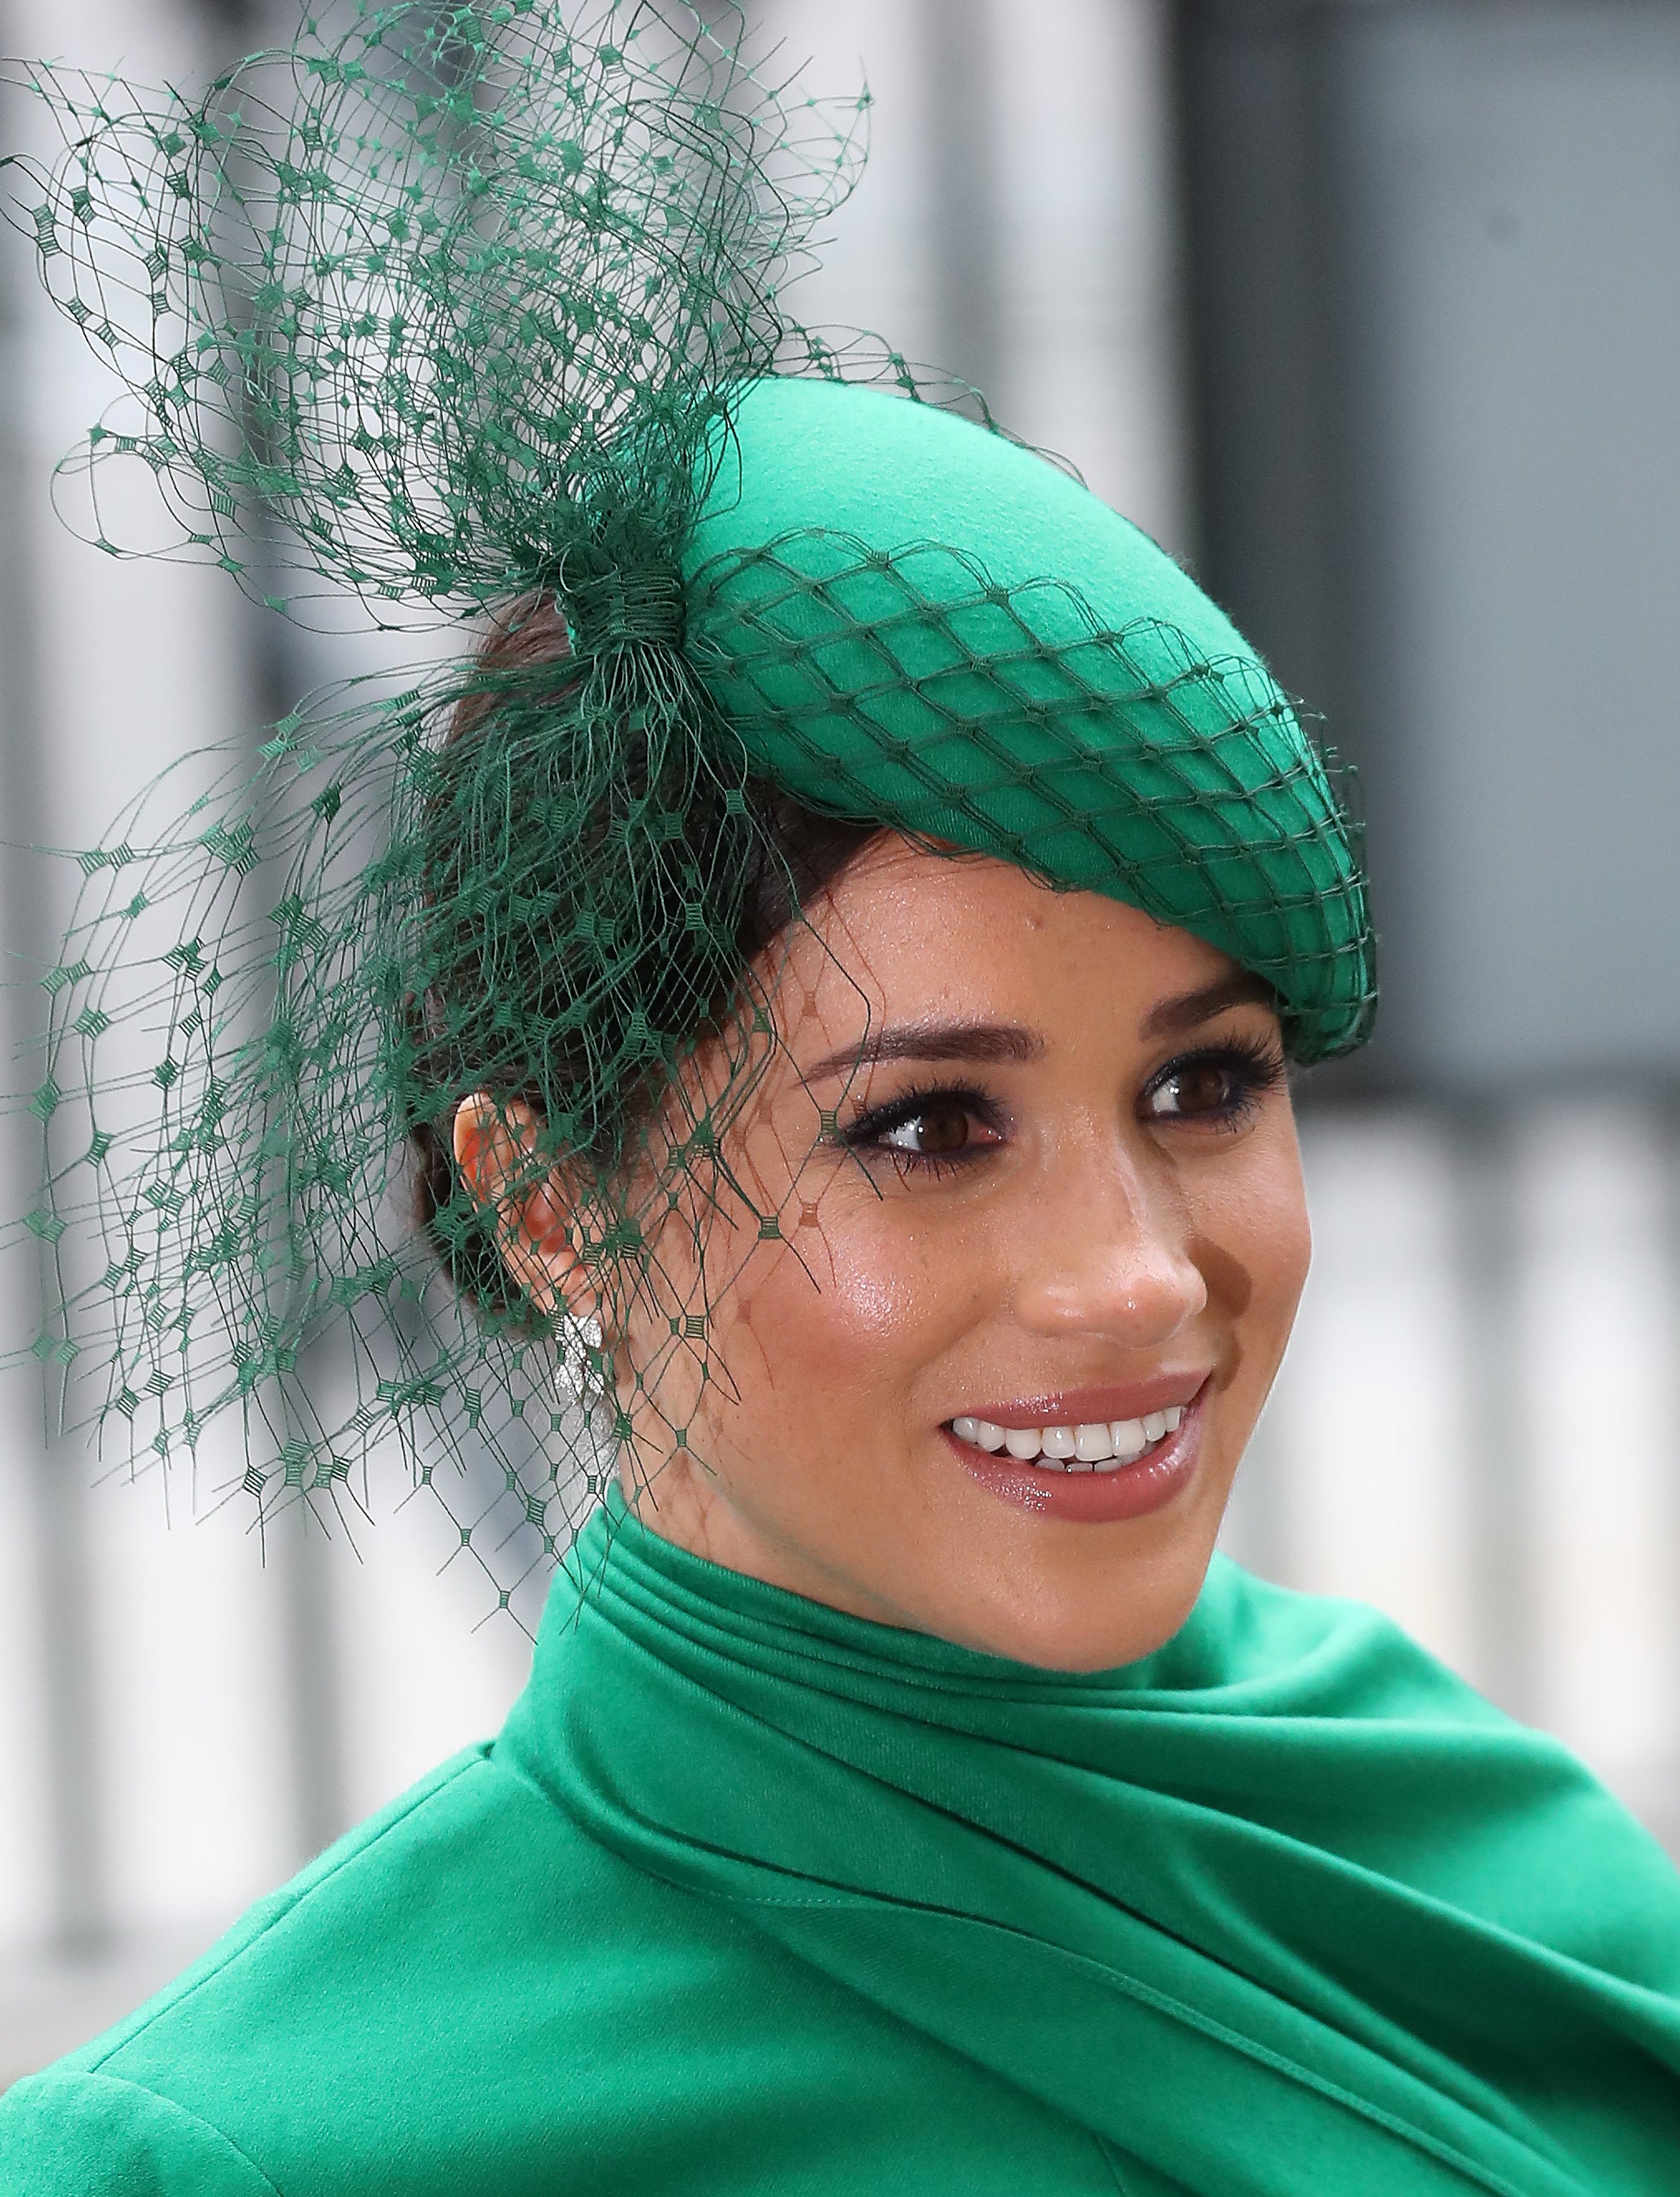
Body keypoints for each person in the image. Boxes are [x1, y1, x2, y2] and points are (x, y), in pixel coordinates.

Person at [2, 6, 1679, 2192]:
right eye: (923, 1126)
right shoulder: (265, 2149)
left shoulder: (1474, 1842)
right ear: (548, 1202)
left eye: (1201, 1082)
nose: (1135, 1272)